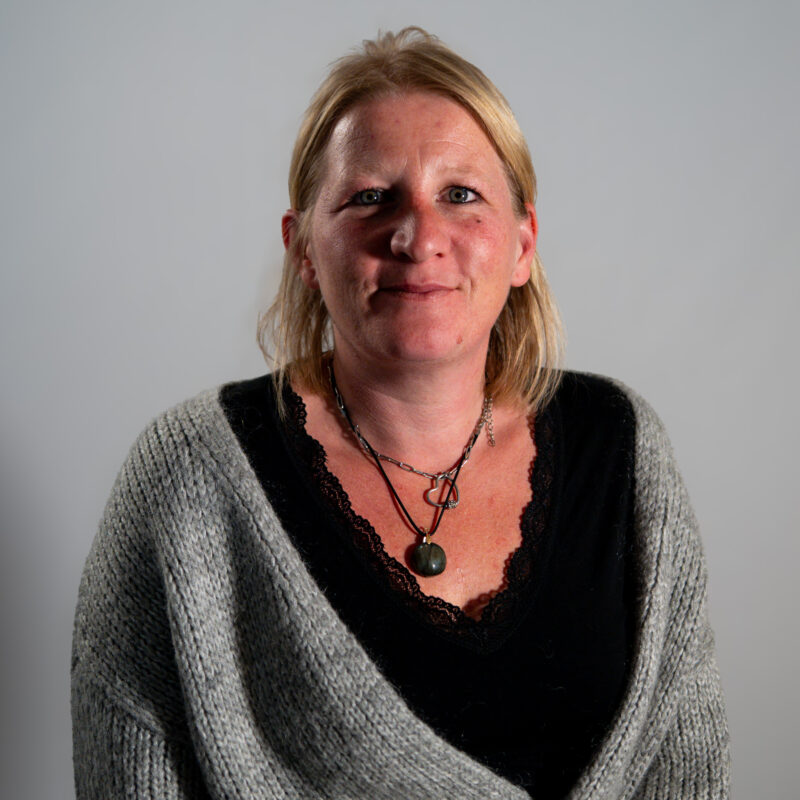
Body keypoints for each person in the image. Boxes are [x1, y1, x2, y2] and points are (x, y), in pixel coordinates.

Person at [71, 27, 730, 800]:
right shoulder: (187, 478)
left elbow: (688, 762)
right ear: (303, 249)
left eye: (461, 194)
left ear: (523, 245)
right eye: (369, 197)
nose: (418, 236)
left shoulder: (621, 445)